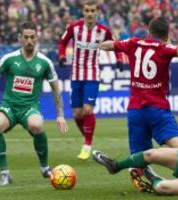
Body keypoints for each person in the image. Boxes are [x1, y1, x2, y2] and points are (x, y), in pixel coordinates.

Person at [98, 15, 178, 191]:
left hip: (135, 110)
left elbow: (108, 45)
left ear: (148, 32)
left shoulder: (133, 42)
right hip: (158, 110)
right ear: (166, 36)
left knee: (139, 157)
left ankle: (142, 176)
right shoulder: (164, 48)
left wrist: (97, 44)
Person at [0, 22, 68, 186]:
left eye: (32, 37)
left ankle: (45, 168)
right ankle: (4, 173)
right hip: (9, 106)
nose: (29, 40)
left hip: (29, 107)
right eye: (26, 37)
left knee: (37, 125)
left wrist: (61, 115)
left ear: (37, 38)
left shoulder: (44, 62)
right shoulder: (9, 58)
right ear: (20, 38)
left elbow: (56, 89)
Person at [58, 0, 123, 160]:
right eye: (87, 10)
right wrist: (61, 55)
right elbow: (63, 42)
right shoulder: (74, 28)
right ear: (83, 12)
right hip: (76, 75)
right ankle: (87, 137)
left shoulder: (104, 31)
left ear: (97, 12)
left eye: (92, 11)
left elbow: (116, 44)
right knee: (77, 114)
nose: (89, 14)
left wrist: (119, 58)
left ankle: (87, 144)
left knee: (87, 109)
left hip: (92, 75)